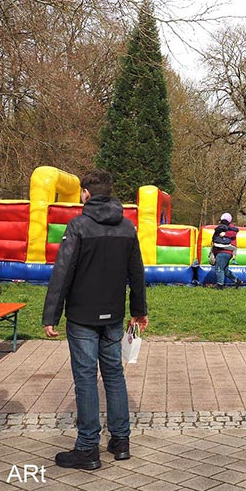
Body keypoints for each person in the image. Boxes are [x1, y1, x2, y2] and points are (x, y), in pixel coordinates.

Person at [42, 169, 148, 470]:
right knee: (114, 374)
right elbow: (137, 274)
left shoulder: (78, 226)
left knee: (86, 378)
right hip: (113, 315)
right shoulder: (128, 227)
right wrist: (139, 310)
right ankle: (121, 440)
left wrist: (51, 314)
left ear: (85, 193)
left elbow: (62, 271)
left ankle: (87, 448)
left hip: (82, 315)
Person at [212, 212, 243, 289]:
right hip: (226, 252)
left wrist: (224, 234)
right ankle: (237, 280)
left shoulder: (229, 228)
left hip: (224, 251)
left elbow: (232, 233)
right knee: (225, 270)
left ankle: (220, 285)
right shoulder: (226, 227)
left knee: (219, 268)